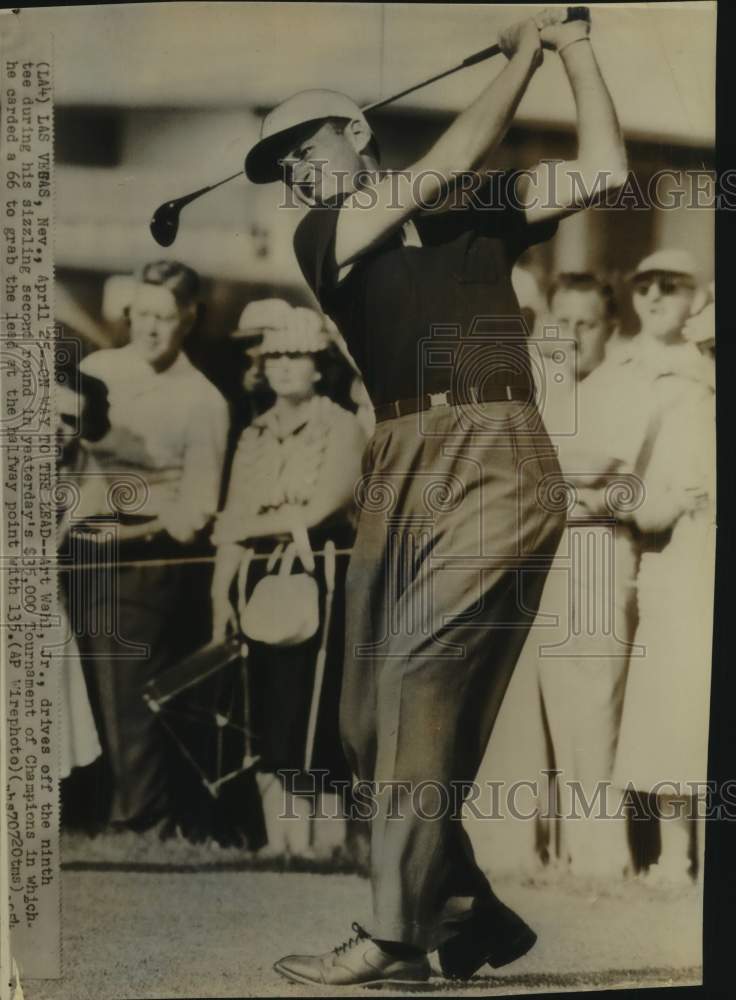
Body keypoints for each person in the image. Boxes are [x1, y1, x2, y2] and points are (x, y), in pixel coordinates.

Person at [243, 6, 627, 985]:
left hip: (495, 449)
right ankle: (463, 910)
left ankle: (394, 939)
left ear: (355, 131)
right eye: (276, 161)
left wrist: (572, 48)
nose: (291, 169)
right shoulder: (324, 231)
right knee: (369, 724)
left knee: (414, 682)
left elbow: (605, 169)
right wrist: (526, 53)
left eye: (300, 146)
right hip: (399, 460)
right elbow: (456, 147)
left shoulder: (473, 207)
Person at [76, 260, 229, 830]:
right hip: (77, 545)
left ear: (189, 319)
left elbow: (196, 511)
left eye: (164, 317)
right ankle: (88, 816)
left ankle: (142, 821)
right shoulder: (97, 369)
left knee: (129, 696)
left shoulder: (204, 400)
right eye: (141, 313)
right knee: (82, 689)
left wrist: (127, 531)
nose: (150, 328)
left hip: (147, 560)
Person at [211, 304, 367, 857]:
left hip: (320, 571)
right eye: (273, 355)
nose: (282, 366)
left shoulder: (343, 426)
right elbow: (231, 520)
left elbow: (327, 506)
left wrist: (249, 524)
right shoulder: (253, 432)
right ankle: (281, 840)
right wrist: (219, 594)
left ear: (320, 366)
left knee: (315, 707)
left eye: (296, 355)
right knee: (264, 709)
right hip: (257, 578)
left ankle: (324, 843)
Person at [610, 251, 715, 886]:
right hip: (683, 560)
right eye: (644, 285)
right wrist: (666, 504)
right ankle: (676, 857)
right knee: (675, 707)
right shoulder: (670, 386)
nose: (654, 297)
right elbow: (630, 486)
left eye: (670, 287)